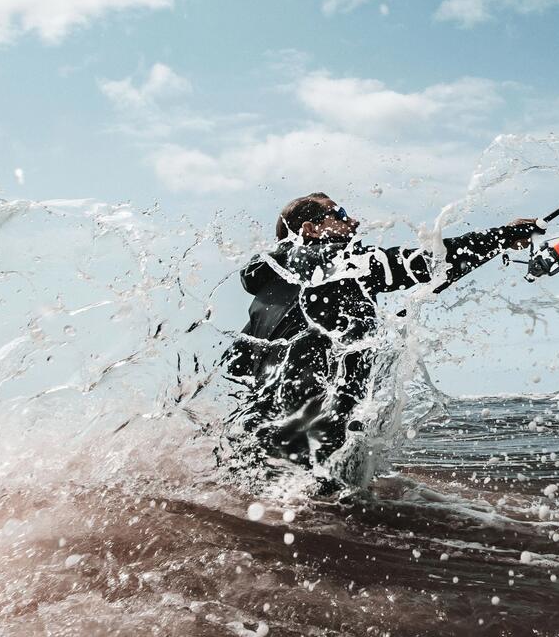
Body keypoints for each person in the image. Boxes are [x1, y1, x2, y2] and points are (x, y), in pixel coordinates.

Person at [222, 192, 542, 478]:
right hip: (312, 438)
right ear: (310, 230)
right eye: (341, 214)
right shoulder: (334, 262)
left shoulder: (266, 289)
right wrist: (503, 235)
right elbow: (424, 261)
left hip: (258, 438)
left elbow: (236, 366)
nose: (355, 222)